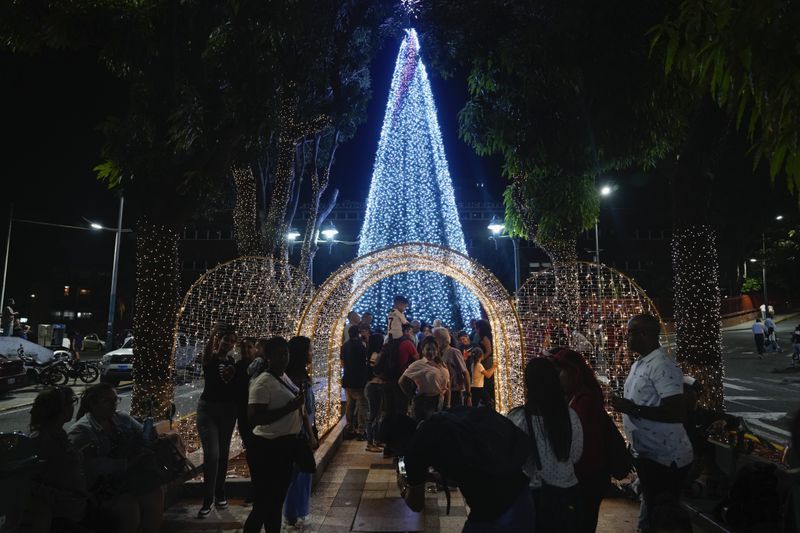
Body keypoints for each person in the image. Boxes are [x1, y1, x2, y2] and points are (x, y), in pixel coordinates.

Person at [380, 408, 536, 531]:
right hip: (521, 492)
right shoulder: (445, 418)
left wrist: (403, 482)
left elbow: (416, 504)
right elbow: (463, 470)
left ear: (398, 444)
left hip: (494, 510)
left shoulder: (414, 452)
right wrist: (430, 477)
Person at [611, 313, 693, 533]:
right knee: (650, 503)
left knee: (663, 513)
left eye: (630, 333)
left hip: (665, 457)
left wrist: (633, 409)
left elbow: (676, 412)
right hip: (647, 454)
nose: (626, 338)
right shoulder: (639, 364)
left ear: (645, 334)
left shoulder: (661, 366)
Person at [68, 383, 165, 533]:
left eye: (115, 400)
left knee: (156, 494)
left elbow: (144, 437)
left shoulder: (122, 419)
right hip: (103, 487)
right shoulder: (82, 431)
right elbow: (91, 468)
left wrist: (150, 430)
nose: (113, 405)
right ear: (93, 404)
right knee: (129, 509)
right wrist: (128, 462)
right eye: (107, 401)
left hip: (130, 479)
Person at [508, 357, 584, 531]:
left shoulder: (518, 419)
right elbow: (576, 454)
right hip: (567, 491)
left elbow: (512, 459)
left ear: (528, 384)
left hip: (534, 495)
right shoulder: (570, 416)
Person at [244, 337, 306, 533]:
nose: (284, 358)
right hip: (266, 448)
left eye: (286, 353)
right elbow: (254, 418)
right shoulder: (263, 382)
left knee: (276, 502)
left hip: (284, 446)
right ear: (268, 357)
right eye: (279, 354)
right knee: (263, 504)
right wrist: (290, 408)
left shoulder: (283, 377)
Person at [550, 348, 608, 532]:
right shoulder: (575, 395)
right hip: (583, 475)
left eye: (560, 372)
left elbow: (583, 442)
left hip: (587, 476)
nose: (558, 377)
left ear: (572, 372)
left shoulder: (585, 400)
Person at [27, 386, 91, 532]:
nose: (73, 406)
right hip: (60, 513)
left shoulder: (60, 435)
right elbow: (32, 484)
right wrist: (66, 498)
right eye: (72, 402)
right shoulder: (40, 441)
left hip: (77, 506)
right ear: (59, 409)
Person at [196, 325, 241, 517]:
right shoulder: (211, 357)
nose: (228, 343)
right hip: (208, 410)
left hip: (228, 411)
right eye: (226, 339)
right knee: (212, 455)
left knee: (223, 454)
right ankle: (207, 500)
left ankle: (220, 492)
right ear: (219, 339)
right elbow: (206, 352)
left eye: (232, 341)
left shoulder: (232, 360)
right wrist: (213, 332)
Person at [283, 336, 319, 529]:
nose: (312, 353)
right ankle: (291, 513)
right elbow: (302, 408)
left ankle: (293, 512)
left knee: (299, 472)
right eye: (310, 350)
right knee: (299, 472)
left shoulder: (299, 373)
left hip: (301, 428)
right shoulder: (296, 377)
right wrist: (310, 433)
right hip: (299, 430)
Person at [399, 337, 449, 421]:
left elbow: (447, 385)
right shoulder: (418, 364)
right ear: (423, 350)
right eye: (428, 349)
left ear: (437, 350)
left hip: (440, 401)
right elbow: (402, 381)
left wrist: (447, 403)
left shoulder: (442, 364)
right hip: (425, 403)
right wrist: (412, 397)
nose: (431, 352)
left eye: (434, 349)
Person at [234, 336, 258, 505]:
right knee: (251, 451)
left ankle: (258, 488)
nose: (246, 351)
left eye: (249, 347)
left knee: (258, 452)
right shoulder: (238, 367)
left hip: (257, 415)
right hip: (243, 415)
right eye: (243, 348)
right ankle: (255, 488)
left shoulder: (259, 367)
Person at [341, 325, 368, 439]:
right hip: (358, 380)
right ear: (358, 334)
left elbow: (342, 361)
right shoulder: (361, 346)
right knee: (362, 405)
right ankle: (361, 430)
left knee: (350, 404)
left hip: (347, 379)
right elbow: (364, 362)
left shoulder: (344, 346)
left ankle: (349, 428)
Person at [434, 327, 470, 407]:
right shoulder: (437, 353)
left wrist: (468, 395)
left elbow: (465, 373)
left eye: (435, 338)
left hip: (454, 391)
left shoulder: (454, 352)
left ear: (442, 339)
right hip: (441, 391)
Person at [365, 333, 386, 452]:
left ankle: (376, 440)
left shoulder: (371, 353)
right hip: (374, 386)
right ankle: (370, 443)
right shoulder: (375, 355)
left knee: (377, 415)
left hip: (374, 386)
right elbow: (375, 372)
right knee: (373, 416)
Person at [474, 319, 495, 409]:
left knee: (486, 380)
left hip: (487, 361)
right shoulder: (487, 336)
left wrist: (480, 359)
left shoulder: (485, 337)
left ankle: (489, 400)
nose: (476, 330)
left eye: (477, 328)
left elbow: (489, 351)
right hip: (488, 360)